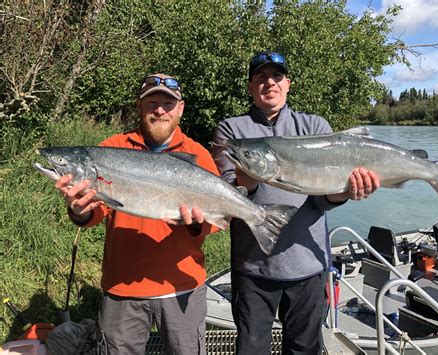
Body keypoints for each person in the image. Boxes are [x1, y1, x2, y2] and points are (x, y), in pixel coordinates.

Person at [212, 51, 381, 354]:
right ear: (250, 87)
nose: (270, 83)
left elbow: (322, 200)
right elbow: (224, 194)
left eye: (277, 76)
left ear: (288, 84)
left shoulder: (314, 127)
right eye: (261, 78)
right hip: (253, 267)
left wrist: (346, 191)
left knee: (304, 349)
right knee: (250, 349)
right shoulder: (232, 132)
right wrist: (245, 181)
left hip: (308, 265)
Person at [54, 73, 220, 354]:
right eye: (152, 102)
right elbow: (96, 211)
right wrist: (79, 211)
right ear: (139, 106)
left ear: (180, 109)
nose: (159, 110)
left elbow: (216, 220)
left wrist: (196, 226)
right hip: (123, 289)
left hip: (181, 288)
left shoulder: (198, 154)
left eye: (168, 104)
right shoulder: (110, 149)